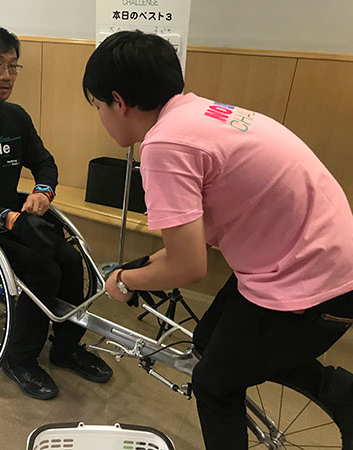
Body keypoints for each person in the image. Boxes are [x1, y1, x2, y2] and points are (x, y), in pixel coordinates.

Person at [82, 30, 353, 449]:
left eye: (97, 105)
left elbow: (189, 267)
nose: (100, 115)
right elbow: (200, 235)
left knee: (213, 384)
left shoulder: (164, 145)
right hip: (319, 255)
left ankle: (343, 395)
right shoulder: (200, 112)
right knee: (208, 343)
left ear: (119, 101)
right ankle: (340, 392)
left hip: (310, 281)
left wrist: (125, 281)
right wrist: (146, 266)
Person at [0, 26, 112, 401]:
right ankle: (19, 358)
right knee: (43, 271)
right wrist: (8, 218)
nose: (6, 75)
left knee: (70, 260)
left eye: (13, 66)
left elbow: (44, 163)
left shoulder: (15, 118)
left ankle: (66, 348)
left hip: (12, 218)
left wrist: (43, 191)